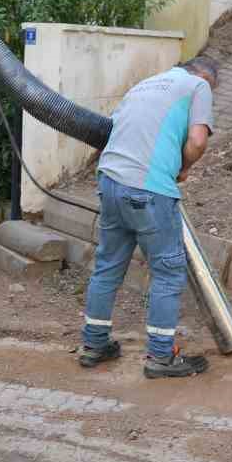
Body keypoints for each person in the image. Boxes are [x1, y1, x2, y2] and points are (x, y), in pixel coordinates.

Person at [78, 56, 219, 378]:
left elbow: (114, 133)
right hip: (148, 187)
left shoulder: (143, 85)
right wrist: (183, 168)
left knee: (108, 266)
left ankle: (94, 344)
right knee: (168, 272)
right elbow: (198, 141)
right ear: (205, 76)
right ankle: (160, 357)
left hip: (110, 181)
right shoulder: (198, 85)